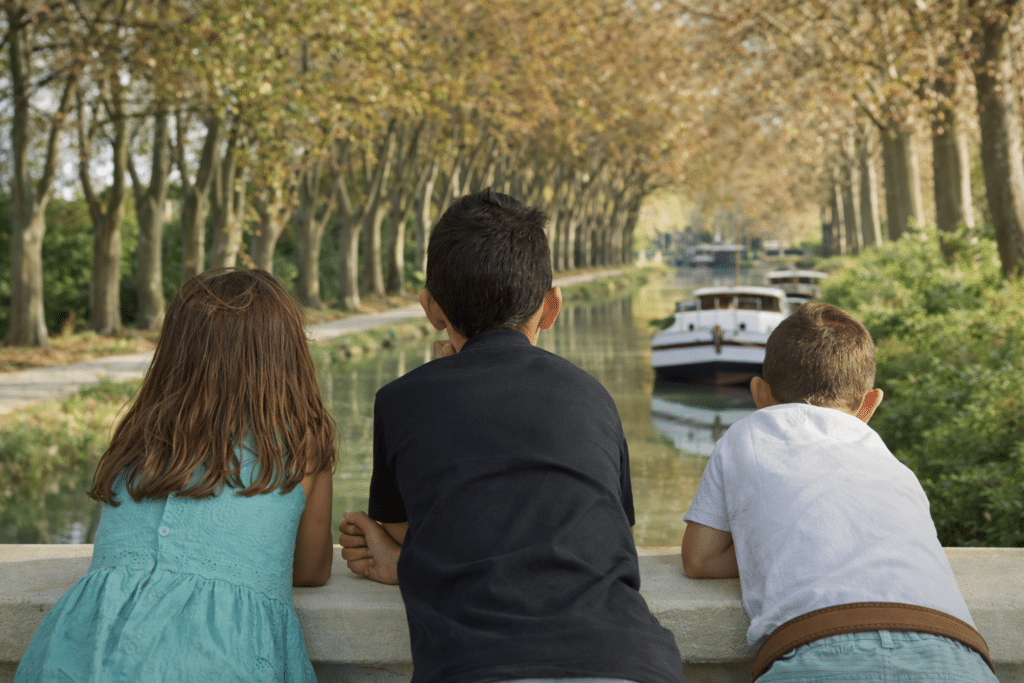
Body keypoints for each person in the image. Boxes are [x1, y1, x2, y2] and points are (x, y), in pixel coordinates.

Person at [338, 188, 684, 683]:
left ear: (431, 309)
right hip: (632, 662)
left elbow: (410, 534)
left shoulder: (401, 401)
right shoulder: (594, 397)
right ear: (552, 306)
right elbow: (610, 540)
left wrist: (398, 561)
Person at [15, 269, 336, 683]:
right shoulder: (301, 443)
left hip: (82, 651)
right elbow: (311, 570)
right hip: (220, 658)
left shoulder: (139, 434)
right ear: (286, 354)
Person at [681, 302, 997, 682]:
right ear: (870, 403)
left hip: (817, 649)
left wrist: (778, 542)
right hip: (954, 652)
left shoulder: (745, 436)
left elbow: (698, 559)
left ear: (759, 393)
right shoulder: (897, 468)